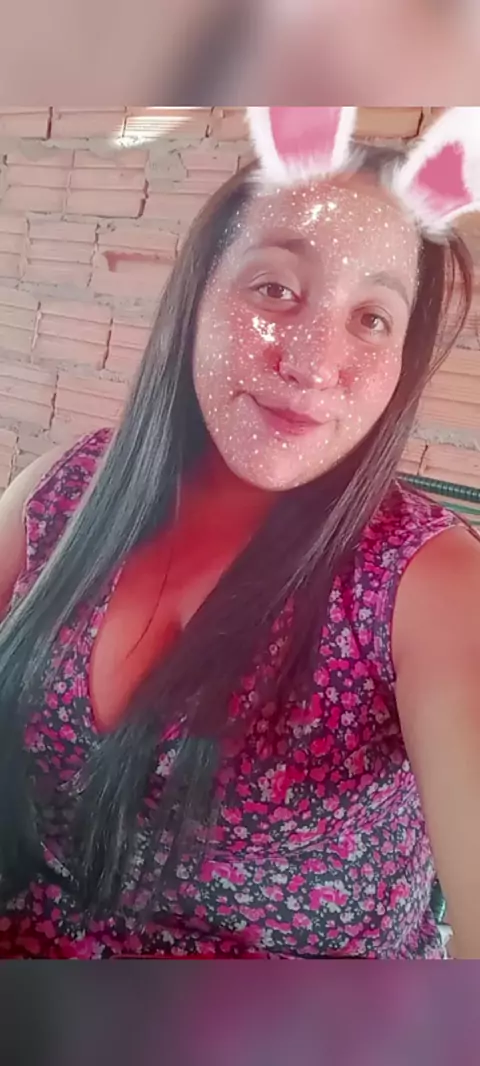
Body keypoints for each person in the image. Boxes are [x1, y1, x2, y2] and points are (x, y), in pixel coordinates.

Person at [0, 108, 479, 960]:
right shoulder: (61, 491)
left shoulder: (429, 584)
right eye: (275, 289)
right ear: (196, 298)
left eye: (372, 318)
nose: (313, 361)